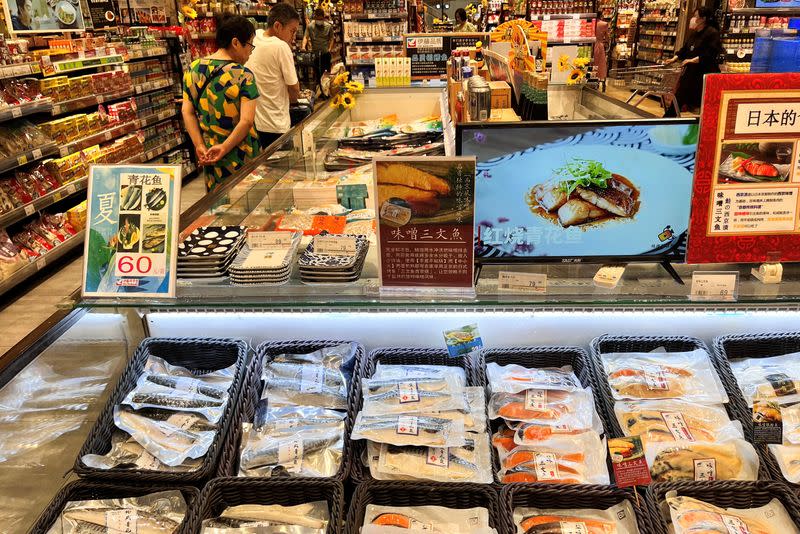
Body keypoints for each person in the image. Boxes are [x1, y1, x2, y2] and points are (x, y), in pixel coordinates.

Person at [182, 14, 259, 192]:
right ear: (235, 42)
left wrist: (199, 145)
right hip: (241, 155)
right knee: (249, 204)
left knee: (218, 207)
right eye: (250, 44)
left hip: (210, 155)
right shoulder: (243, 75)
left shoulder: (193, 69)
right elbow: (246, 121)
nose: (251, 51)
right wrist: (225, 147)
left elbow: (187, 112)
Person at [246, 3, 301, 149]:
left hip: (254, 122)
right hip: (276, 123)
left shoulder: (255, 36)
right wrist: (293, 99)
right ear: (277, 26)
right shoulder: (281, 46)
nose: (293, 37)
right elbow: (294, 88)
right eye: (292, 31)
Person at [663, 7, 722, 116]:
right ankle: (667, 120)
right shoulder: (694, 34)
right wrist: (674, 58)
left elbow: (710, 54)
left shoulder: (712, 33)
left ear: (703, 19)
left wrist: (692, 60)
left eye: (696, 16)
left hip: (704, 74)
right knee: (679, 98)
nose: (693, 19)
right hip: (691, 73)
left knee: (702, 103)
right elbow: (685, 49)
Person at [303, 7, 334, 89]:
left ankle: (326, 91)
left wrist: (330, 49)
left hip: (325, 54)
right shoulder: (310, 26)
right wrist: (303, 47)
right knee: (317, 73)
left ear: (323, 18)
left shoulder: (328, 26)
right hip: (315, 54)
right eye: (317, 19)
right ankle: (319, 90)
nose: (319, 21)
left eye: (321, 19)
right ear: (315, 17)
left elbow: (332, 38)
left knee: (326, 73)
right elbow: (306, 37)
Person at [593, 12, 609, 83]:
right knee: (599, 63)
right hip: (599, 45)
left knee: (591, 62)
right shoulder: (604, 24)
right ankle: (598, 77)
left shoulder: (591, 23)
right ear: (601, 16)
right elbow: (607, 37)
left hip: (590, 44)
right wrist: (605, 41)